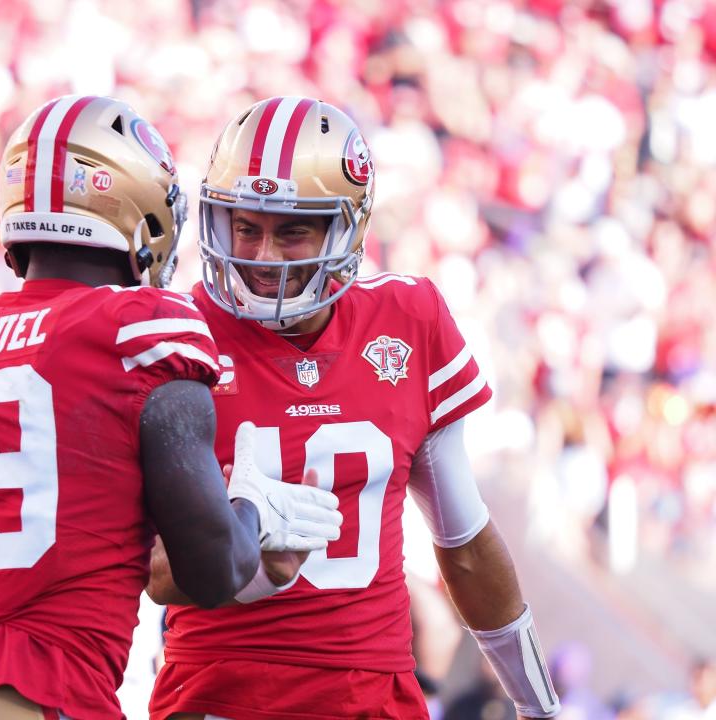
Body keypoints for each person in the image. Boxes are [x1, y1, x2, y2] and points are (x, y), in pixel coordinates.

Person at [0, 95, 341, 720]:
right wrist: (253, 512)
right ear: (143, 212)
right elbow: (209, 569)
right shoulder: (141, 327)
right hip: (39, 692)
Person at [147, 96, 561, 720]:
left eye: (292, 230)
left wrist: (540, 706)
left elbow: (465, 542)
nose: (261, 256)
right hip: (221, 696)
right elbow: (155, 573)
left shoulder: (410, 318)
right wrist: (248, 542)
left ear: (348, 228)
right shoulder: (177, 332)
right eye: (246, 224)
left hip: (374, 699)